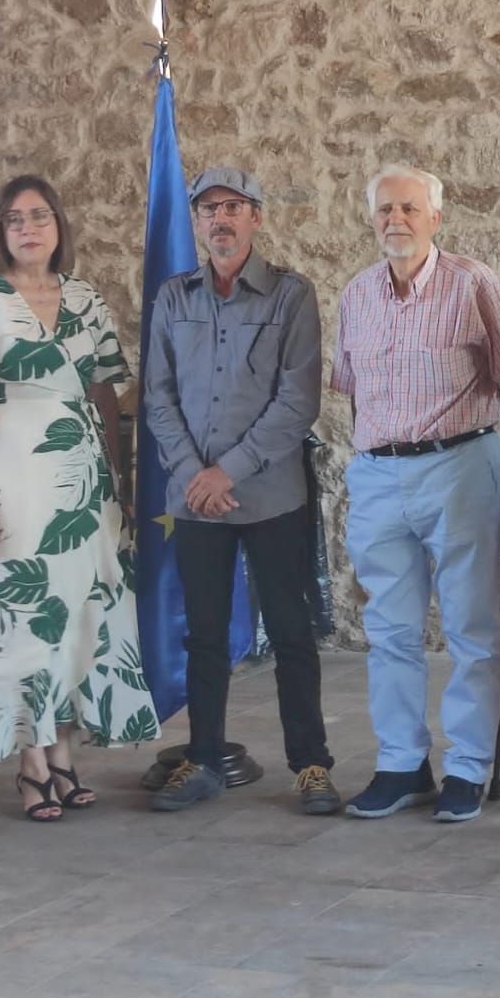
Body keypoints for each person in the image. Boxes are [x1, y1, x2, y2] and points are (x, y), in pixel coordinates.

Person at [0, 175, 158, 819]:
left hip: (82, 478)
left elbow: (104, 394)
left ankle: (62, 749)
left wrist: (117, 483)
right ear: (1, 234)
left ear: (59, 226)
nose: (28, 227)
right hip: (6, 471)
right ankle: (31, 761)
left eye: (39, 216)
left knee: (77, 614)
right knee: (24, 614)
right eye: (14, 219)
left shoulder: (86, 299)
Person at [334, 163, 500, 824]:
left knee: (470, 626)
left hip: (458, 465)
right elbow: (350, 386)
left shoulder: (473, 284)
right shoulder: (356, 295)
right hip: (377, 473)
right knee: (389, 628)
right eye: (385, 210)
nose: (395, 221)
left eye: (409, 209)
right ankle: (401, 763)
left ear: (436, 218)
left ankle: (468, 766)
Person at [144, 166, 338, 814]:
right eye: (208, 210)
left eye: (232, 207)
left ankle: (310, 766)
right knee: (203, 635)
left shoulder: (290, 295)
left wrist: (228, 469)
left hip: (270, 496)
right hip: (196, 499)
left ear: (256, 216)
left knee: (289, 631)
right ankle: (202, 760)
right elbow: (159, 396)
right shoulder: (174, 298)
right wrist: (195, 474)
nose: (219, 220)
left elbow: (297, 400)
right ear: (197, 223)